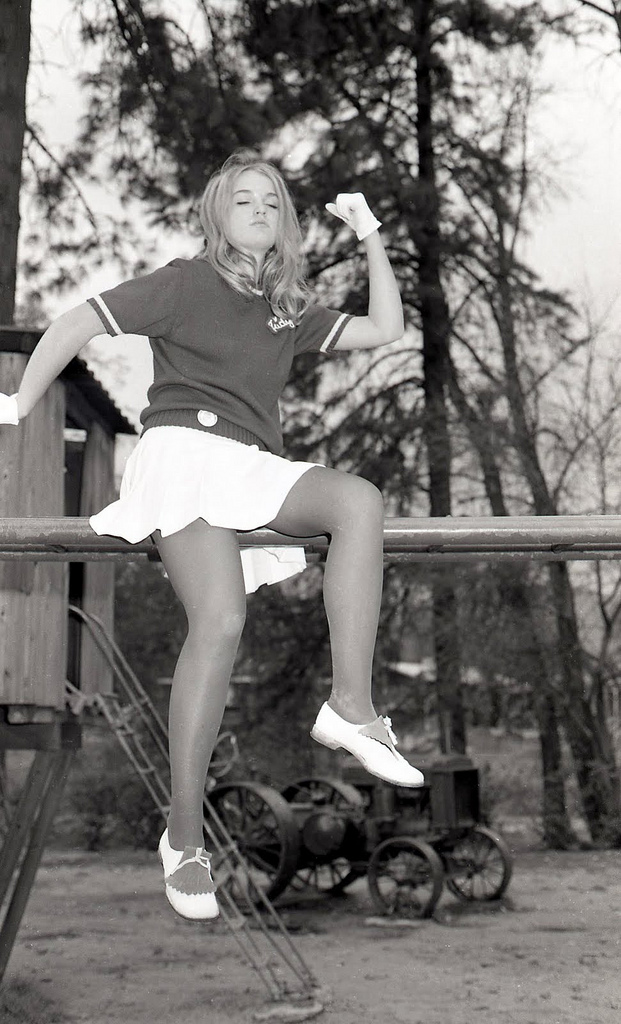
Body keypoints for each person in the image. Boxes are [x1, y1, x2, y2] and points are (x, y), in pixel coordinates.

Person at [0, 149, 424, 921]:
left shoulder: (284, 308)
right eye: (243, 199)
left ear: (284, 222)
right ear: (217, 216)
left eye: (272, 201)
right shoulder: (184, 283)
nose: (259, 208)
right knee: (221, 620)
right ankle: (184, 836)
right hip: (181, 456)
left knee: (358, 502)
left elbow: (386, 327)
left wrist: (369, 233)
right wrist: (20, 404)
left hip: (249, 463)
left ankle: (350, 706)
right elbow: (79, 319)